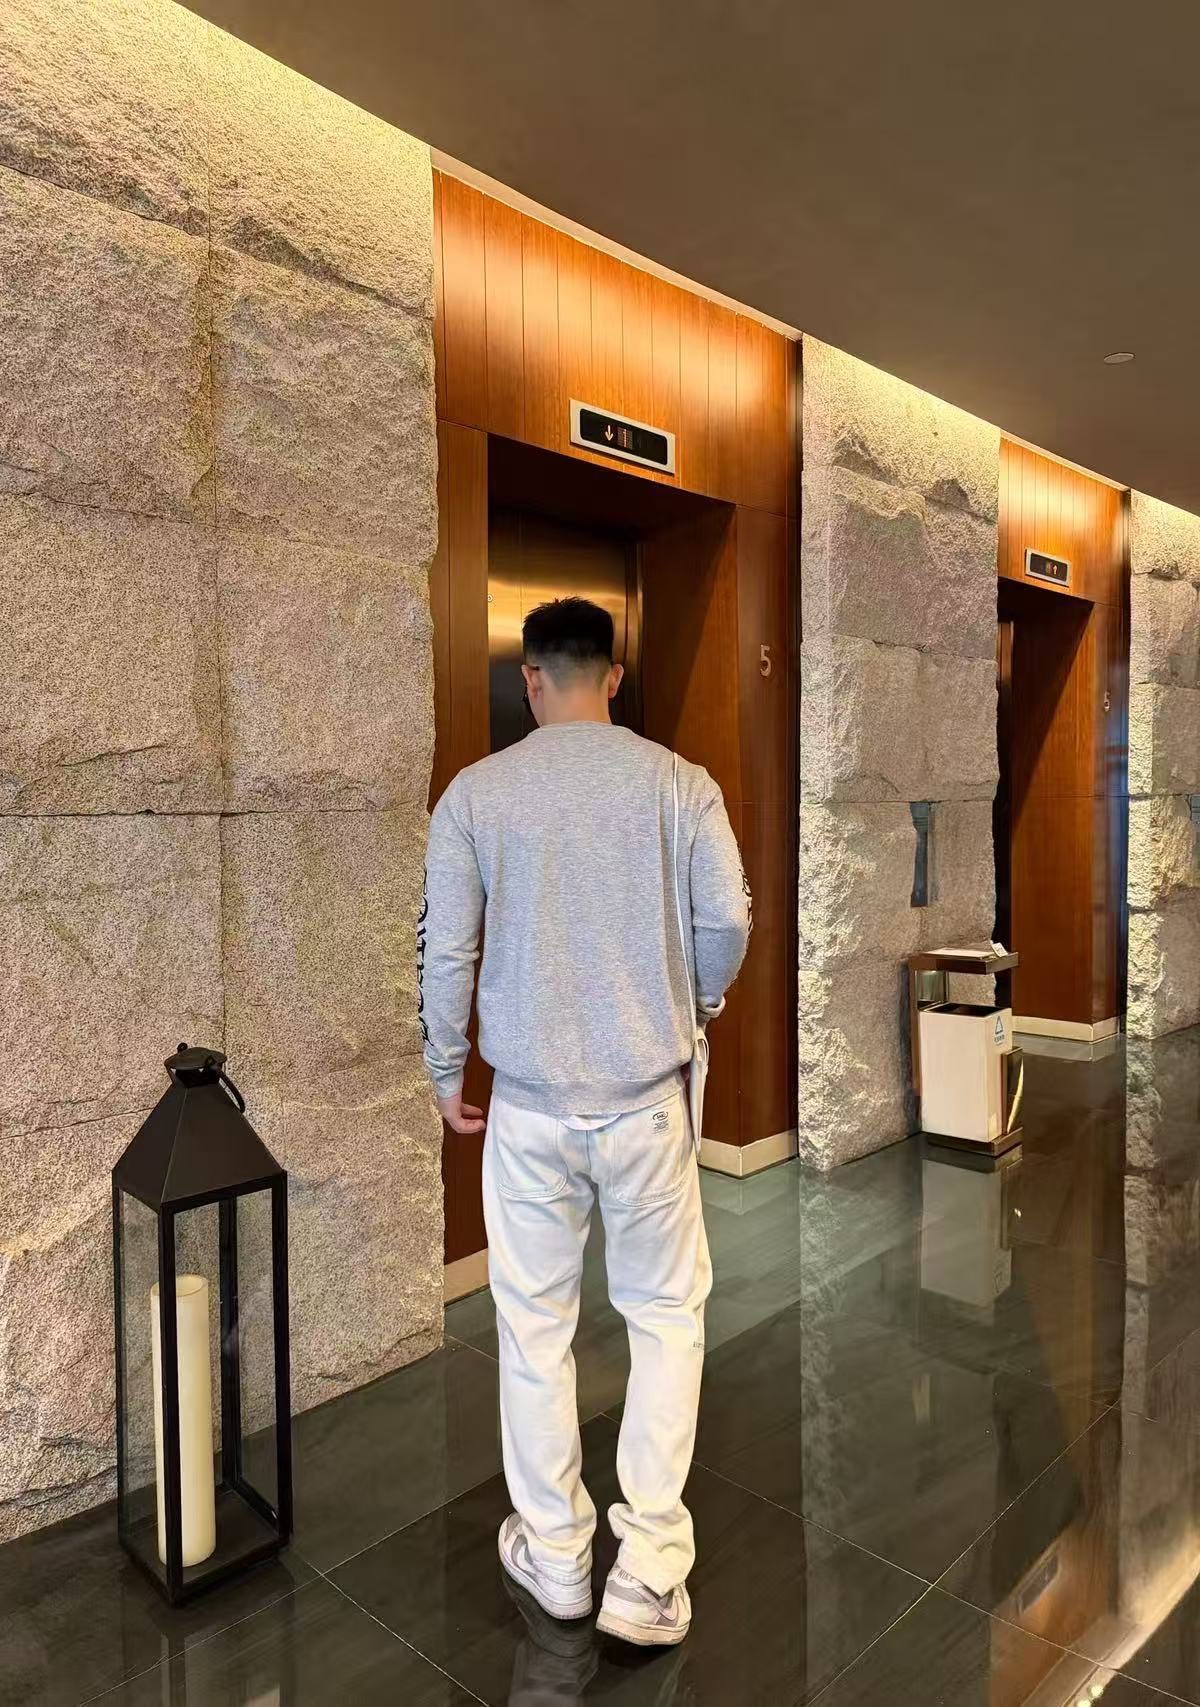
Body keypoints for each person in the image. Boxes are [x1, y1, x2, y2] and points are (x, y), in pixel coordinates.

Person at [418, 596, 750, 1647]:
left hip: (525, 1108)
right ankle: (645, 1573)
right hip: (646, 1103)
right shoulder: (678, 783)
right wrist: (695, 1003)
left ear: (530, 679)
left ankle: (558, 1556)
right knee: (664, 1318)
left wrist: (444, 1068)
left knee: (533, 1329)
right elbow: (727, 917)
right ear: (612, 677)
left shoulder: (476, 795)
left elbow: (446, 950)